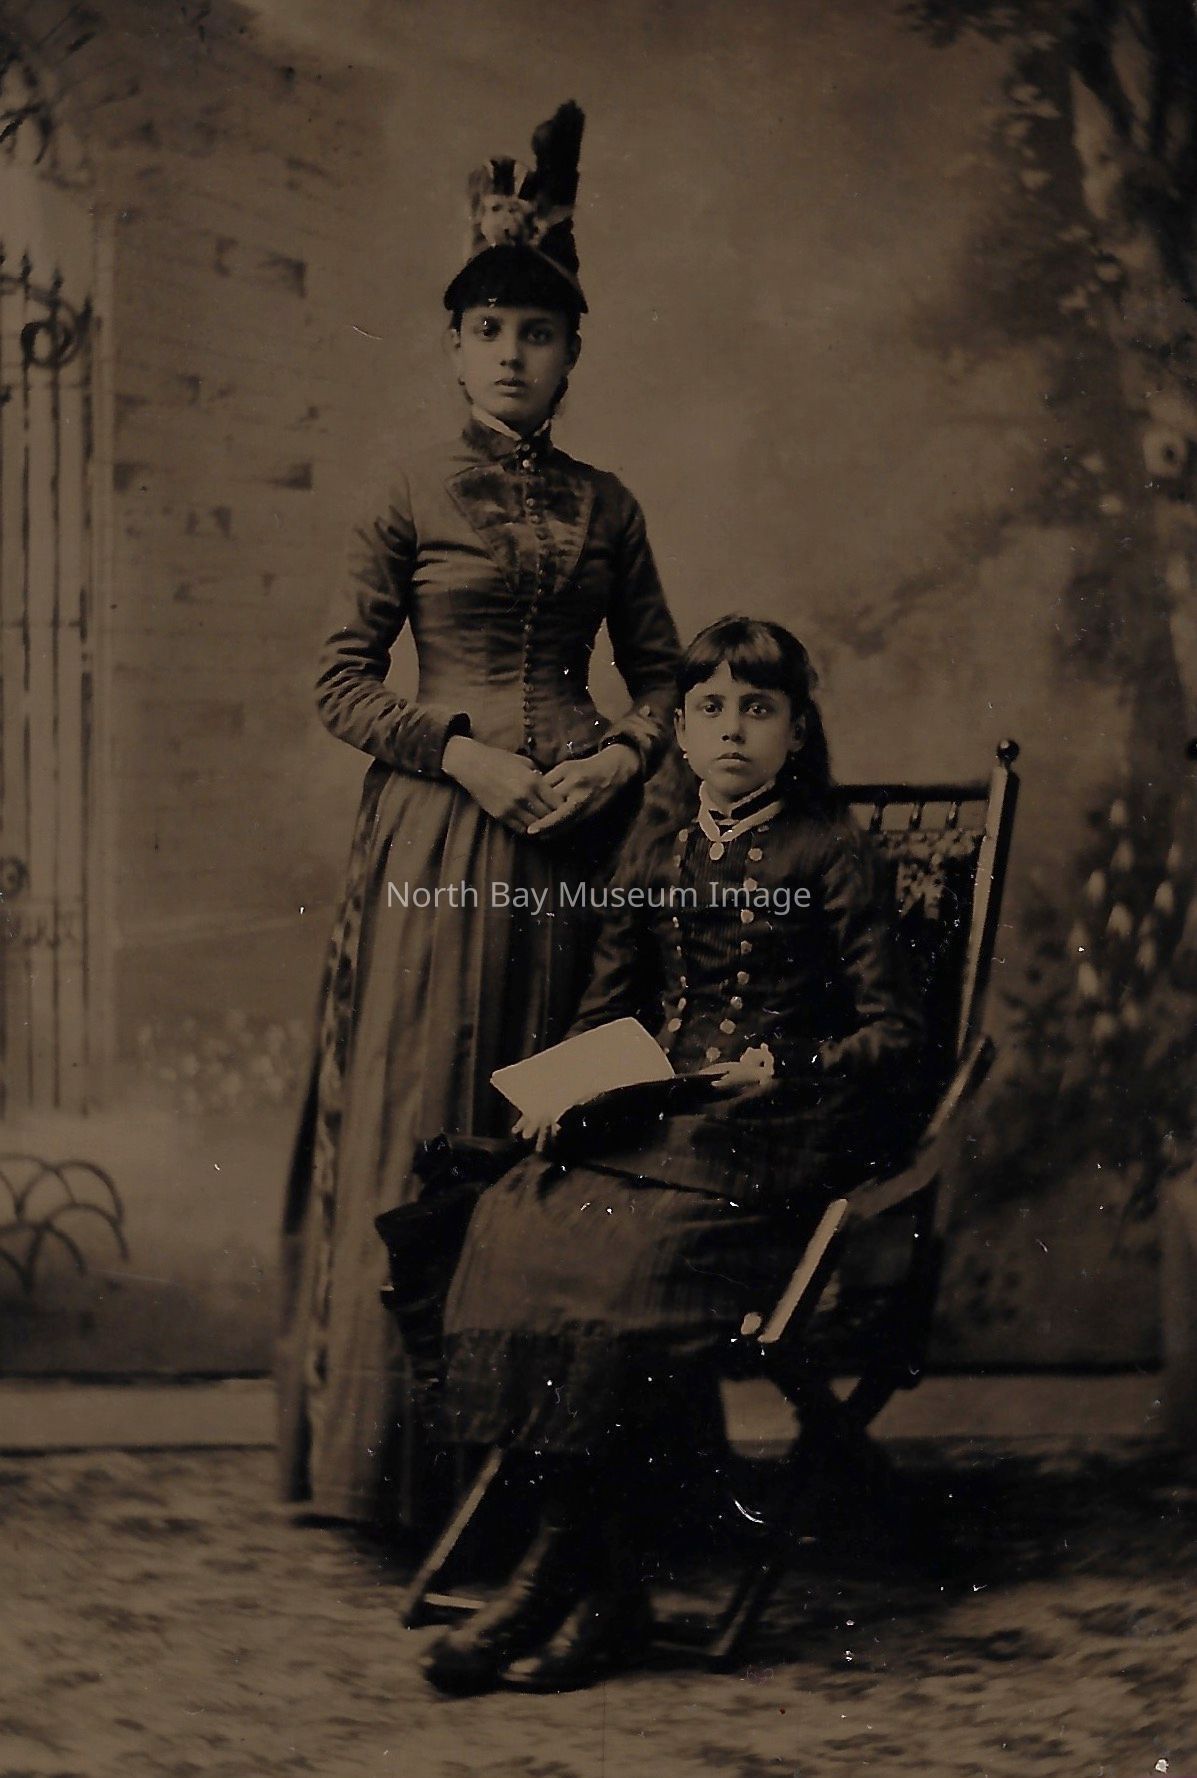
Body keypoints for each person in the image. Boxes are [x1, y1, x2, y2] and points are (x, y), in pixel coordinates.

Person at [276, 102, 681, 1532]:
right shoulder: (404, 488)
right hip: (442, 843)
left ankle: (561, 1485)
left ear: (574, 354)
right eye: (489, 328)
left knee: (569, 1128)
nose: (513, 352)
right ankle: (407, 1474)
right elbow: (339, 681)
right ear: (453, 349)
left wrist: (621, 759)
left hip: (582, 851)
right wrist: (461, 753)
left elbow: (666, 675)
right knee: (434, 1114)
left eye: (539, 331)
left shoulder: (610, 505)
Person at [419, 615, 925, 1694]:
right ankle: (597, 1589)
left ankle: (564, 1588)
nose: (732, 728)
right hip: (655, 1125)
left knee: (624, 1271)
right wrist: (567, 1089)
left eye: (759, 707)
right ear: (683, 732)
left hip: (774, 1140)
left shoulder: (831, 851)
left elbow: (896, 1034)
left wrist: (791, 1064)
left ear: (797, 731)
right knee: (515, 1223)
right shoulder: (652, 851)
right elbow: (608, 1011)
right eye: (710, 707)